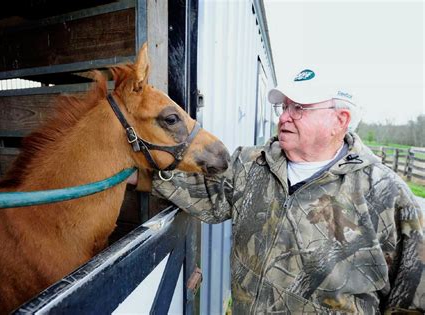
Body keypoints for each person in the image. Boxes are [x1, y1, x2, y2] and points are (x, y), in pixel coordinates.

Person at [130, 68, 425, 314]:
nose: (285, 116)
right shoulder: (251, 164)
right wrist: (135, 176)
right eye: (284, 107)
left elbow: (411, 299)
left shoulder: (387, 196)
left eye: (300, 108)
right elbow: (206, 194)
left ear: (340, 121)